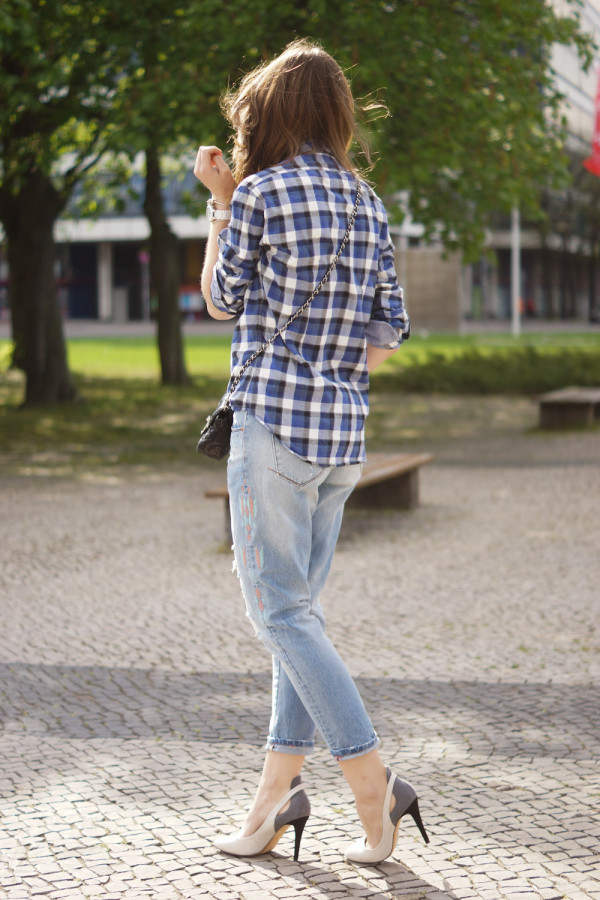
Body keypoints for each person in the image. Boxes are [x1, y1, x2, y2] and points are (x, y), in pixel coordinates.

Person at [193, 38, 429, 865]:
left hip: (272, 429)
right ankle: (273, 801)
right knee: (300, 620)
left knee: (281, 616)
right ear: (335, 116)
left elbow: (221, 299)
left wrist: (220, 206)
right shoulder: (367, 203)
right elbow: (390, 328)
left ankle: (374, 789)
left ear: (271, 113)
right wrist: (331, 372)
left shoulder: (257, 193)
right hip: (341, 441)